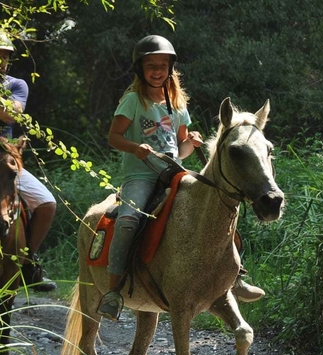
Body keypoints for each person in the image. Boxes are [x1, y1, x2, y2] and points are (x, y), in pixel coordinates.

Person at [97, 35, 264, 321]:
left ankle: (234, 276)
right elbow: (114, 137)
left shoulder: (177, 104)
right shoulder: (133, 101)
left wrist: (193, 143)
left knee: (217, 206)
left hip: (174, 173)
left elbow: (180, 150)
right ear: (141, 69)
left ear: (170, 68)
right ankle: (113, 290)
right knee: (127, 220)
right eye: (151, 66)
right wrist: (136, 148)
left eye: (162, 65)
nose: (157, 71)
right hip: (141, 175)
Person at [0, 31, 57, 292]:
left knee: (47, 203)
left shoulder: (17, 84)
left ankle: (28, 261)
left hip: (4, 159)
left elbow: (11, 115)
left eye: (4, 57)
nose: (1, 61)